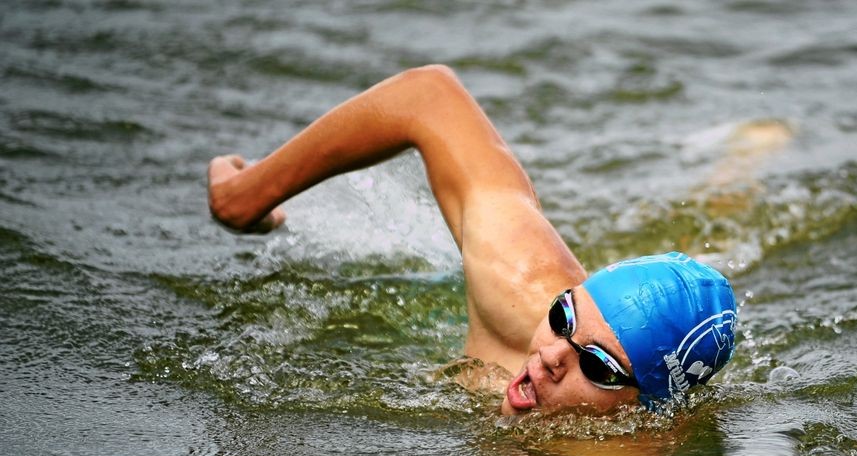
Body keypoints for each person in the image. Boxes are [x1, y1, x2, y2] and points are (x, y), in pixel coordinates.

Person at [207, 65, 737, 416]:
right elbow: (428, 96)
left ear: (644, 407)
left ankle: (740, 166)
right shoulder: (522, 287)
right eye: (564, 318)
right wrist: (242, 198)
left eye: (597, 366)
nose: (553, 354)